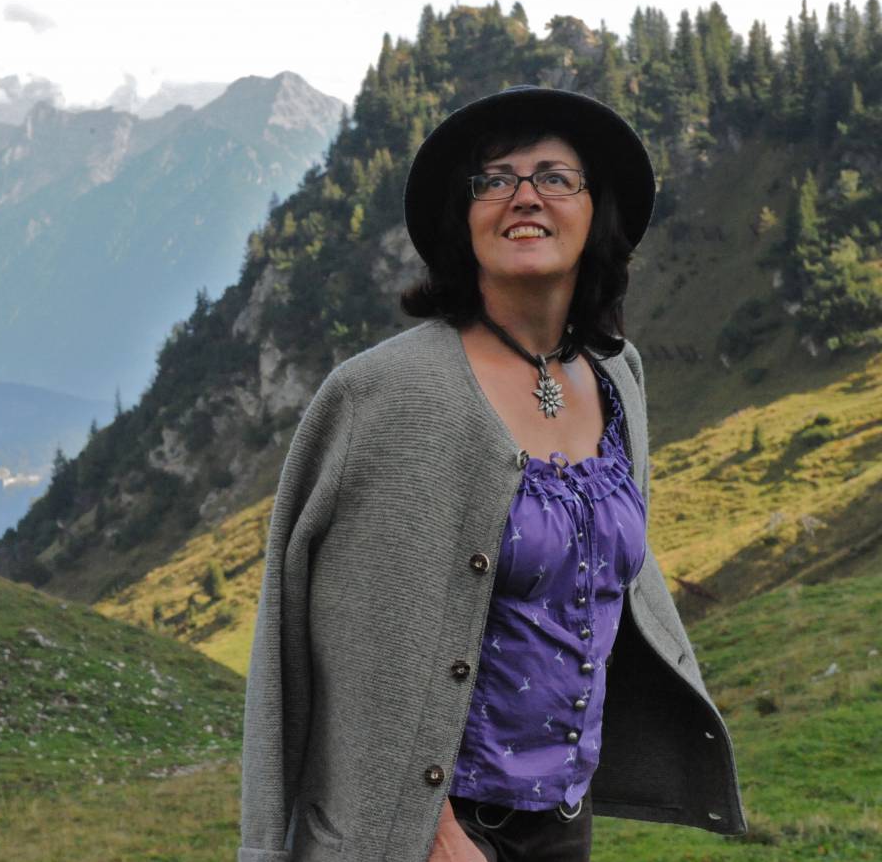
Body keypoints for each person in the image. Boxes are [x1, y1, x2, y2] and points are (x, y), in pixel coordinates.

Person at [237, 86, 744, 862]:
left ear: (594, 210)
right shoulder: (391, 395)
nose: (523, 197)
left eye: (554, 176)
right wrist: (435, 833)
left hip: (563, 824)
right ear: (463, 217)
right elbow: (351, 646)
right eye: (494, 179)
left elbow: (610, 580)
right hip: (423, 833)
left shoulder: (618, 379)